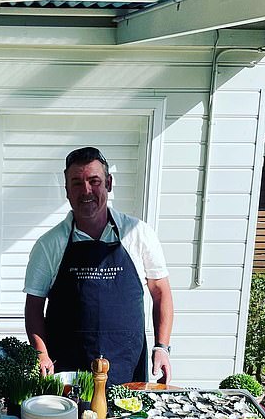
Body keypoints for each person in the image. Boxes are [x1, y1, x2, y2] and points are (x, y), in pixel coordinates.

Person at [24, 146, 173, 386]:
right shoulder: (49, 245)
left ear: (109, 183)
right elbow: (33, 307)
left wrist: (162, 347)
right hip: (67, 368)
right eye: (77, 183)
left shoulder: (139, 234)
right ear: (67, 191)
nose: (86, 191)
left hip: (127, 363)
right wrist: (41, 353)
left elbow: (161, 292)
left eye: (94, 181)